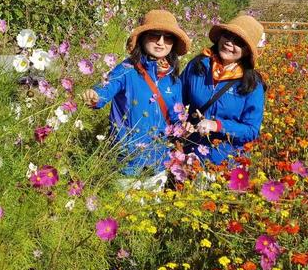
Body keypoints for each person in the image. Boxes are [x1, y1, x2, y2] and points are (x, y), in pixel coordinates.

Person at [82, 9, 191, 179]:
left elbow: (176, 117)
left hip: (158, 163)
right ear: (143, 37)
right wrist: (94, 95)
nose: (161, 43)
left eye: (168, 38)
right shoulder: (127, 70)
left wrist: (184, 127)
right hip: (126, 161)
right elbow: (105, 89)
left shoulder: (173, 80)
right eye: (155, 35)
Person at [180, 15, 266, 166]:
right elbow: (176, 101)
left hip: (226, 161)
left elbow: (252, 130)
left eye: (238, 42)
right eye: (227, 35)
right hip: (190, 154)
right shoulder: (197, 66)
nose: (229, 43)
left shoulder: (252, 83)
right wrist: (182, 121)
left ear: (246, 51)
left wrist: (217, 125)